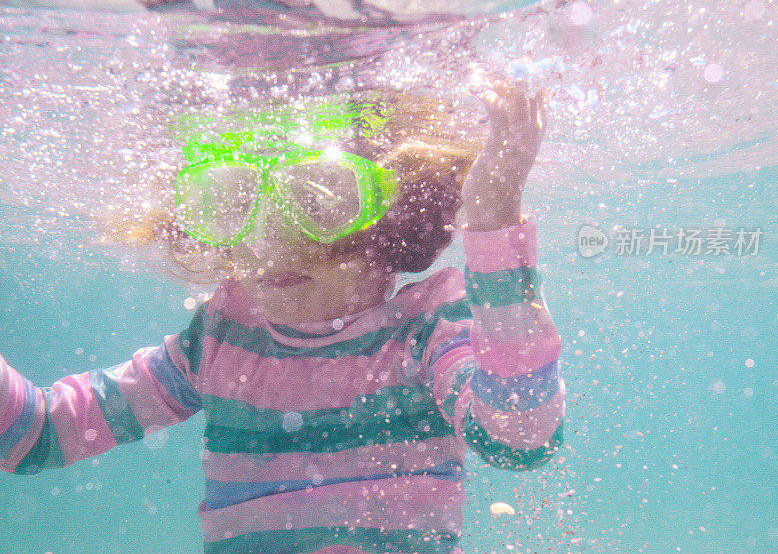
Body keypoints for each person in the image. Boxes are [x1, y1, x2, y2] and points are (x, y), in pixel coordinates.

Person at [0, 81, 565, 554]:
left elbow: (517, 436)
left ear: (392, 220)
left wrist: (494, 229)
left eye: (319, 201)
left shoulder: (424, 330)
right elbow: (37, 435)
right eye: (232, 202)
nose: (272, 240)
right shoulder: (220, 341)